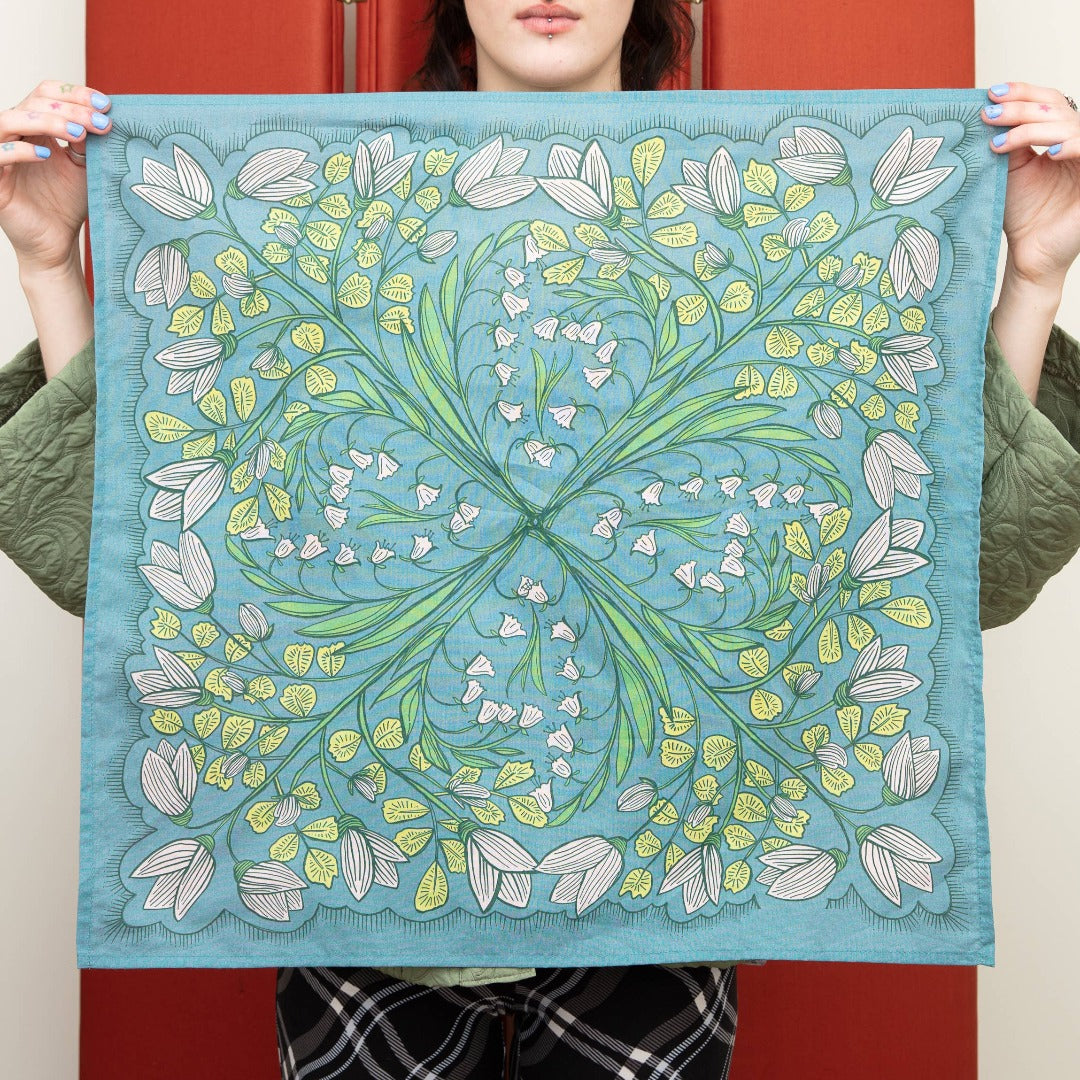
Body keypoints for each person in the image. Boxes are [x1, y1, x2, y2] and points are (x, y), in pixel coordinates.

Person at [3, 2, 1080, 1077]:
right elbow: (152, 547)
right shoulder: (339, 221)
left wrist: (1032, 272)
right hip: (364, 904)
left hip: (661, 905)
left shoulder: (745, 218)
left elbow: (933, 569)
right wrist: (51, 261)